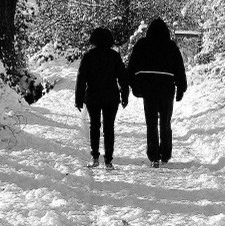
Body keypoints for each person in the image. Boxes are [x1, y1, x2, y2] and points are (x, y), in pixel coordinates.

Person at [127, 18, 187, 168]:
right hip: (167, 89)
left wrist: (133, 86)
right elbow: (179, 69)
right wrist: (181, 88)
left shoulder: (142, 45)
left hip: (149, 89)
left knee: (151, 122)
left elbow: (132, 67)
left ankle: (153, 155)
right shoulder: (171, 46)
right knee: (165, 122)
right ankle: (165, 154)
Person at [75, 27, 129, 169]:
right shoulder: (114, 56)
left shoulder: (88, 56)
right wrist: (125, 96)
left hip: (93, 96)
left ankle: (94, 157)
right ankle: (108, 160)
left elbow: (81, 78)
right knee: (109, 127)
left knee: (94, 126)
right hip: (111, 96)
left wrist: (78, 99)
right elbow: (123, 78)